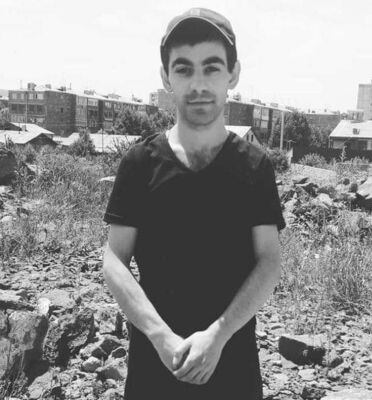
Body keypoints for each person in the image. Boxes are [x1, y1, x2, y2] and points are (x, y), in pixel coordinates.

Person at [102, 7, 285, 400]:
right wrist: (160, 336)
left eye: (211, 67)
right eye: (183, 69)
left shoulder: (254, 166)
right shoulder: (140, 163)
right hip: (155, 367)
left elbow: (269, 260)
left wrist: (217, 335)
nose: (198, 83)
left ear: (233, 74)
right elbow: (114, 259)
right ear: (166, 77)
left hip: (232, 365)